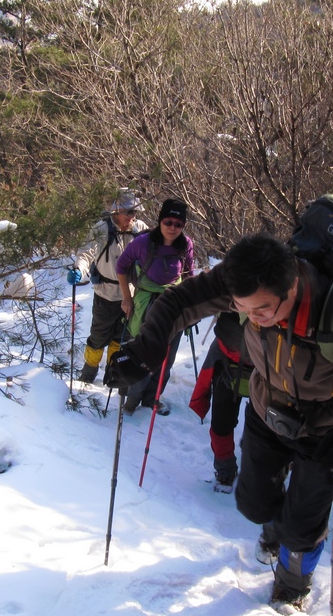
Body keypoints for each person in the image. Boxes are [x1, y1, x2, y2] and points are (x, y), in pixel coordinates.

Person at [105, 233, 333, 610]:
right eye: (244, 310)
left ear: (291, 286)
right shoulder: (243, 280)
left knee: (302, 527)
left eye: (262, 310)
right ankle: (276, 527)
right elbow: (179, 300)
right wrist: (146, 350)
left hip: (325, 429)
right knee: (254, 504)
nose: (253, 317)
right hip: (267, 408)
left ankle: (292, 584)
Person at [115, 198, 195, 416]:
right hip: (146, 305)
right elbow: (121, 266)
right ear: (160, 221)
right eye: (168, 222)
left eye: (178, 224)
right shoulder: (143, 243)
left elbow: (188, 275)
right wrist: (126, 298)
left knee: (166, 358)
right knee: (142, 356)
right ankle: (131, 401)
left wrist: (191, 306)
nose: (172, 228)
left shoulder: (186, 244)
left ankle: (152, 398)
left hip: (173, 307)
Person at [67, 189, 148, 383]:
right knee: (98, 337)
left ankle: (112, 372)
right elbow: (87, 253)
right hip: (106, 295)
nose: (132, 216)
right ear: (116, 210)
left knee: (120, 338)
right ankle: (88, 373)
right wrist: (79, 269)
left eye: (134, 212)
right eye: (129, 211)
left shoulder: (140, 228)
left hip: (131, 295)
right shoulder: (101, 229)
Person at [188, 311, 253, 491]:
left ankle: (229, 473)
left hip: (240, 356)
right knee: (227, 422)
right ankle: (232, 471)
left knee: (226, 423)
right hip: (258, 359)